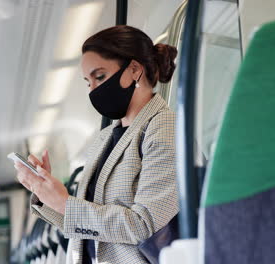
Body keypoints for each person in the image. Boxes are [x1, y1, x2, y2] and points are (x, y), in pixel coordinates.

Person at [14, 25, 179, 264]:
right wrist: (45, 194)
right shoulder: (105, 137)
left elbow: (144, 225)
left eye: (99, 76)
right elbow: (87, 229)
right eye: (87, 81)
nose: (92, 89)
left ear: (134, 70)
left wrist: (65, 203)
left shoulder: (164, 128)